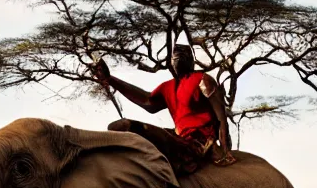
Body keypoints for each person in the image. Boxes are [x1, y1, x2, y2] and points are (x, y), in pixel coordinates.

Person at [92, 44, 236, 175]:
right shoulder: (168, 87)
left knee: (130, 128)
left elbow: (221, 117)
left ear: (191, 60)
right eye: (174, 56)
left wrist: (225, 150)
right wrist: (110, 79)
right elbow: (148, 101)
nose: (177, 58)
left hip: (200, 142)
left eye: (183, 54)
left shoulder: (203, 79)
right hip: (179, 137)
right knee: (122, 126)